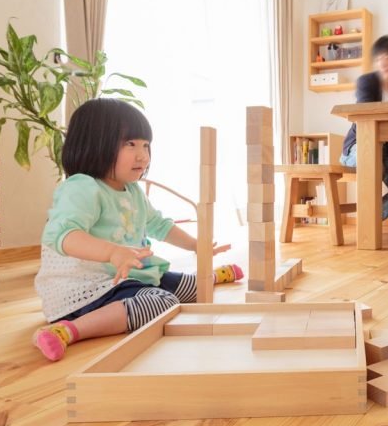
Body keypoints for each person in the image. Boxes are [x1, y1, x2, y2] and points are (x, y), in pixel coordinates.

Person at [32, 98, 242, 361]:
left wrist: (196, 246)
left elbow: (159, 225)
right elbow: (63, 235)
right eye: (130, 144)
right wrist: (112, 252)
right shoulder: (83, 187)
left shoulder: (132, 190)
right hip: (85, 289)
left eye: (146, 145)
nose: (142, 155)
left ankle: (208, 276)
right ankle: (69, 330)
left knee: (194, 287)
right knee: (163, 302)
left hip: (125, 277)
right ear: (94, 144)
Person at [340, 35, 388, 220]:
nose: (383, 62)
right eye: (379, 58)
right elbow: (364, 122)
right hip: (359, 145)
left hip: (387, 150)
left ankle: (368, 218)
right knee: (374, 164)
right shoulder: (367, 82)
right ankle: (367, 228)